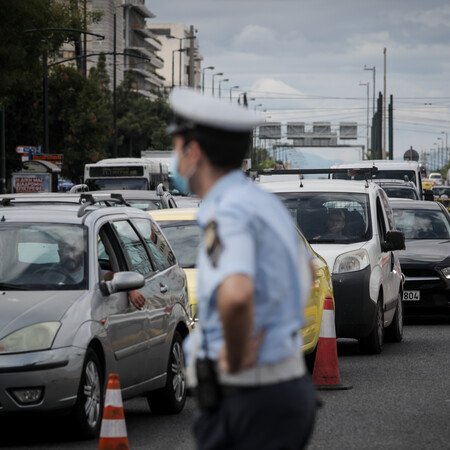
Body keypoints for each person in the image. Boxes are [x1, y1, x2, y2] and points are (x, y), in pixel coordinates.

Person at [168, 87, 317, 450]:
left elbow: (236, 296)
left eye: (175, 146)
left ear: (194, 152)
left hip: (249, 396)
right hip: (281, 389)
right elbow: (307, 274)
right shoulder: (261, 202)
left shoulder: (228, 210)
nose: (172, 159)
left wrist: (235, 358)